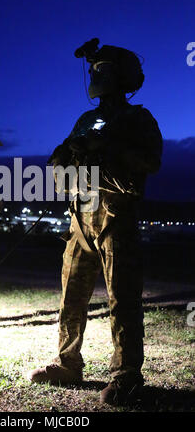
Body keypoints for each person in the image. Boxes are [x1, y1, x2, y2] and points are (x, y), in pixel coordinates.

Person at [28, 38, 163, 405]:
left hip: (117, 223)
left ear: (121, 75)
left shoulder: (138, 119)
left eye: (101, 68)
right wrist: (64, 157)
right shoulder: (87, 120)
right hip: (80, 224)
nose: (95, 74)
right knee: (72, 298)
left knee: (123, 301)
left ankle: (126, 375)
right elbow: (64, 166)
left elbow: (146, 165)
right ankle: (68, 363)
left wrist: (102, 153)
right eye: (94, 69)